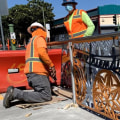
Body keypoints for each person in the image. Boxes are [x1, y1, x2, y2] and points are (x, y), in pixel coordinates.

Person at [3, 22, 56, 108]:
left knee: (41, 92)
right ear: (42, 30)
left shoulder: (31, 41)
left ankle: (15, 93)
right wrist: (51, 65)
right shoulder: (40, 39)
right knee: (46, 95)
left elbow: (36, 58)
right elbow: (42, 54)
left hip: (31, 73)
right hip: (38, 73)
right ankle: (15, 93)